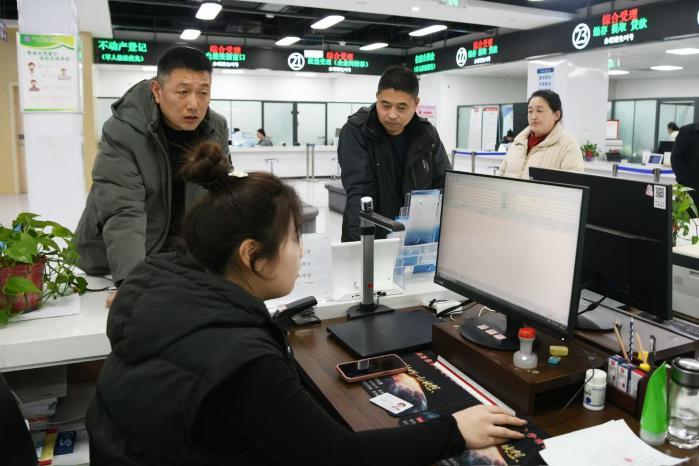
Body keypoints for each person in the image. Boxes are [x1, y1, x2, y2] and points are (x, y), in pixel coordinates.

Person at [86, 141, 526, 465]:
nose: (300, 251)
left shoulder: (161, 281)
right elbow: (340, 457)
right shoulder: (240, 361)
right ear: (252, 256)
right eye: (294, 238)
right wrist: (455, 430)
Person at [74, 46, 229, 286]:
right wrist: (131, 283)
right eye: (182, 92)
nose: (194, 104)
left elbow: (219, 196)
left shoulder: (215, 128)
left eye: (203, 93)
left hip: (180, 258)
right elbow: (123, 210)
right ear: (157, 91)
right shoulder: (123, 130)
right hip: (116, 261)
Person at [338, 65, 451, 242]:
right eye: (385, 105)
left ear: (416, 104)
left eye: (401, 107)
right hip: (372, 237)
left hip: (416, 238)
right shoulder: (358, 131)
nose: (392, 114)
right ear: (377, 97)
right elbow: (359, 194)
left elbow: (443, 185)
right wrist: (358, 247)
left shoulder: (427, 134)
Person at [498, 90, 583, 179]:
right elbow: (501, 174)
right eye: (530, 111)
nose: (533, 117)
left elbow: (574, 184)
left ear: (556, 115)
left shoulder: (568, 145)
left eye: (539, 111)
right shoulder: (518, 142)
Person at [671, 122, 699, 209]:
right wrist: (686, 183)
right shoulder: (687, 131)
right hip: (691, 195)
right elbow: (676, 159)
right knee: (692, 217)